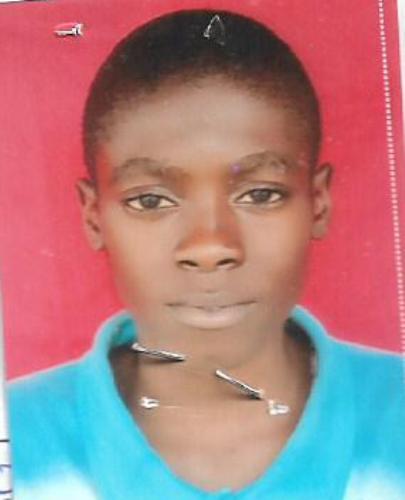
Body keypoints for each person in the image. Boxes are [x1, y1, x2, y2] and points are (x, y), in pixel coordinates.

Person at [8, 9, 405, 500]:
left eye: (261, 194)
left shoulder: (396, 414)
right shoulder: (20, 433)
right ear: (94, 217)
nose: (210, 247)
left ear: (318, 202)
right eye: (150, 201)